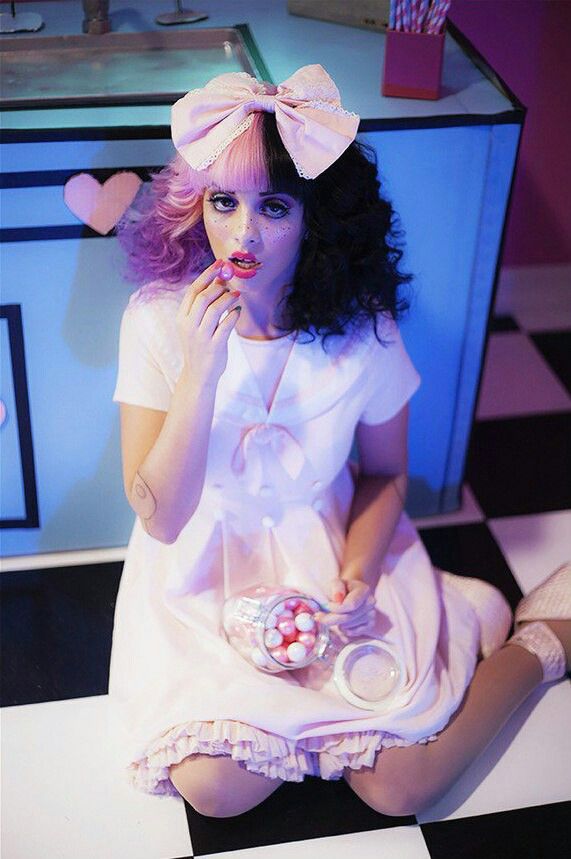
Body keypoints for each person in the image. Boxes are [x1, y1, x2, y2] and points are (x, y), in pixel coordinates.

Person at [109, 64, 571, 818]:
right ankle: (341, 702)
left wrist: (357, 576)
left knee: (400, 789)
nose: (243, 232)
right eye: (223, 201)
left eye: (275, 205)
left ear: (316, 218)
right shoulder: (159, 319)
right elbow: (159, 516)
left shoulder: (362, 329)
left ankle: (534, 644)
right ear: (197, 203)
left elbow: (387, 474)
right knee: (214, 790)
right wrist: (201, 371)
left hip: (322, 555)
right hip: (197, 571)